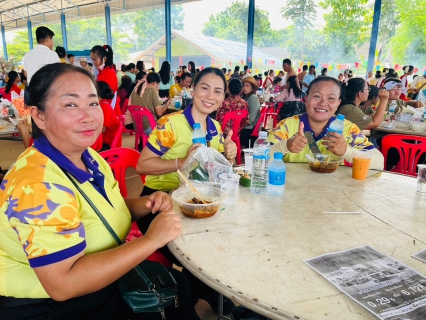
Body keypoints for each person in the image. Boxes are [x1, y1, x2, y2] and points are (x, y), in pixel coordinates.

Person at [0, 63, 194, 319]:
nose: (88, 116)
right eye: (71, 105)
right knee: (172, 300)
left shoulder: (88, 156)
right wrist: (151, 240)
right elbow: (63, 284)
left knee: (180, 289)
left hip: (92, 276)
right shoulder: (37, 185)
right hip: (46, 303)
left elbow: (109, 208)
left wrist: (147, 203)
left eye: (93, 103)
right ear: (39, 116)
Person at [135, 67, 237, 312]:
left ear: (223, 98)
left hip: (196, 199)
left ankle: (196, 294)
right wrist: (180, 162)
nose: (210, 95)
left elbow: (213, 170)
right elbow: (141, 165)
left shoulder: (214, 127)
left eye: (217, 91)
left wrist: (229, 155)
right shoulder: (170, 123)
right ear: (193, 89)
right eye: (204, 88)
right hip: (158, 200)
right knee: (197, 252)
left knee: (227, 237)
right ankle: (195, 296)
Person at [267, 77, 384, 169]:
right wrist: (285, 146)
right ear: (306, 99)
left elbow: (379, 163)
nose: (323, 103)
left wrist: (347, 152)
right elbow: (259, 158)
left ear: (338, 103)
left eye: (331, 98)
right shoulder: (287, 127)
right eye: (317, 96)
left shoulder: (348, 130)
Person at [90, 45, 118, 113]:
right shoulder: (102, 72)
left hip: (108, 111)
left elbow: (108, 97)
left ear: (104, 59)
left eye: (95, 59)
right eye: (92, 59)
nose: (93, 62)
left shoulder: (109, 73)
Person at [97, 81, 121, 151]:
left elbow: (103, 129)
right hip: (105, 139)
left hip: (108, 143)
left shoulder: (104, 106)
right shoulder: (102, 104)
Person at [240, 76, 261, 148]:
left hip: (250, 127)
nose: (244, 88)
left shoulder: (253, 98)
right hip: (246, 125)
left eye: (247, 86)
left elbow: (251, 119)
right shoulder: (245, 97)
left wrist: (239, 125)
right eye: (244, 86)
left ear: (252, 88)